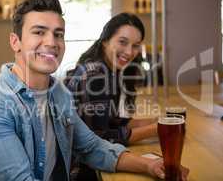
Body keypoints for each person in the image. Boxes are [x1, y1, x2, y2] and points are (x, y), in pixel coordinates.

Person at [0, 0, 188, 181]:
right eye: (39, 32)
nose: (51, 42)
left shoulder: (57, 94)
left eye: (59, 34)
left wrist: (150, 165)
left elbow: (92, 146)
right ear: (15, 41)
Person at [65, 13, 158, 147]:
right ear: (105, 41)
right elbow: (100, 139)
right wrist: (155, 130)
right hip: (79, 165)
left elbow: (110, 122)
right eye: (122, 42)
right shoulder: (95, 76)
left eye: (135, 45)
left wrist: (156, 122)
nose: (129, 52)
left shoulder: (107, 70)